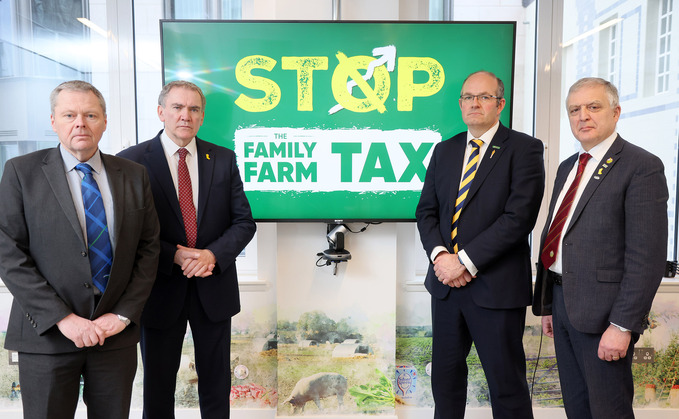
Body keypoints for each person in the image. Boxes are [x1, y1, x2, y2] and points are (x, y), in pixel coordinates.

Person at [0, 80, 161, 418]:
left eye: (90, 114)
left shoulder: (134, 175)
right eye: (69, 114)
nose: (80, 123)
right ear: (53, 120)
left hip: (113, 336)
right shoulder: (21, 172)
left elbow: (148, 250)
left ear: (104, 120)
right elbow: (8, 251)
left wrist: (122, 316)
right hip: (47, 335)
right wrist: (63, 319)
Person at [118, 80, 256, 419]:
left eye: (194, 109)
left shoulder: (222, 159)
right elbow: (126, 231)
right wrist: (174, 255)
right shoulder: (131, 162)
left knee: (216, 384)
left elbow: (244, 223)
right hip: (159, 289)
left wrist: (211, 256)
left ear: (202, 116)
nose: (186, 115)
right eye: (178, 107)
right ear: (161, 111)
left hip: (214, 288)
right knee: (158, 386)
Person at [533, 77, 668, 418]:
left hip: (605, 316)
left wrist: (623, 326)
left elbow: (647, 259)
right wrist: (549, 304)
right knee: (577, 409)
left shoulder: (641, 166)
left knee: (608, 411)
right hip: (564, 305)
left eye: (593, 107)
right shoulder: (568, 167)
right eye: (574, 110)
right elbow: (559, 237)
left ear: (616, 112)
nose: (583, 116)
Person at [416, 70, 544, 418]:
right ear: (460, 104)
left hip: (496, 288)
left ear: (500, 104)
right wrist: (441, 256)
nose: (474, 103)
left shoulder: (524, 149)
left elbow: (519, 219)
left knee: (506, 387)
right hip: (446, 288)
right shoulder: (445, 150)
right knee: (445, 382)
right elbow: (426, 212)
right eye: (467, 97)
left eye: (484, 97)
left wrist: (465, 261)